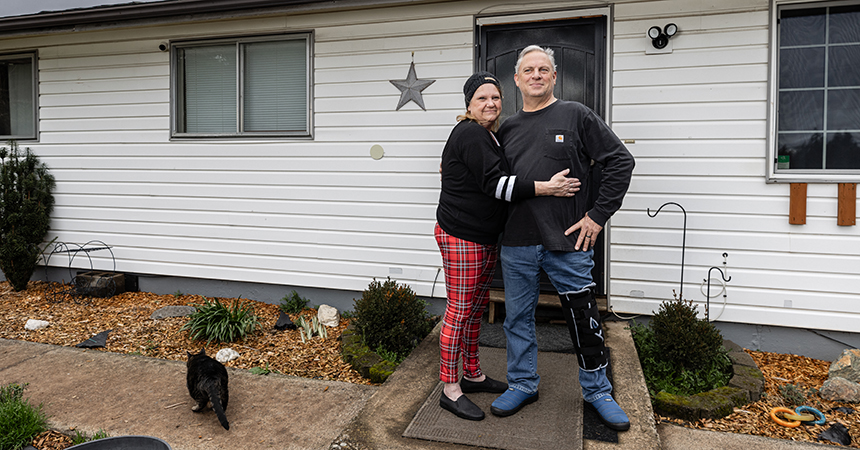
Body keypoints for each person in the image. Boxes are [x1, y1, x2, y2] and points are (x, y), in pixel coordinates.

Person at [489, 46, 635, 431]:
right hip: (517, 241)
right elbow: (493, 181)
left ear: (554, 77)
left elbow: (620, 161)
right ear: (516, 79)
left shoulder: (576, 115)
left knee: (583, 317)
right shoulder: (506, 129)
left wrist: (597, 216)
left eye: (543, 69)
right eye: (528, 70)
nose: (536, 75)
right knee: (517, 319)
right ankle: (522, 383)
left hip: (569, 241)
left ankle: (598, 391)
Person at [435, 71, 580, 421]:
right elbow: (496, 185)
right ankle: (450, 389)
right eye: (482, 98)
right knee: (459, 312)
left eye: (495, 97)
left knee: (475, 310)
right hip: (462, 235)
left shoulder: (489, 135)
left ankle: (472, 374)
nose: (490, 103)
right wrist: (547, 188)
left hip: (484, 237)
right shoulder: (471, 133)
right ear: (469, 104)